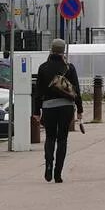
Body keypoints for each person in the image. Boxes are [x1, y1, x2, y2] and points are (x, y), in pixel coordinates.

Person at [31, 38, 83, 183]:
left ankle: (48, 165)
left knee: (50, 137)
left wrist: (36, 111)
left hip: (48, 108)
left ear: (51, 50)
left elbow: (38, 92)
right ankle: (58, 173)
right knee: (62, 139)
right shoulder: (69, 68)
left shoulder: (43, 68)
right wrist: (79, 109)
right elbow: (76, 90)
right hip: (66, 108)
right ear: (63, 51)